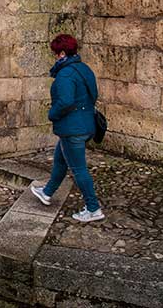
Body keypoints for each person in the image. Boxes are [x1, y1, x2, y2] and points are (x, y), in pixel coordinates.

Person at [30, 34, 104, 222]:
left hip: (73, 129)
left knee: (79, 169)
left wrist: (52, 114)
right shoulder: (84, 69)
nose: (55, 56)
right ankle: (47, 193)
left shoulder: (65, 74)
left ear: (62, 53)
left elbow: (65, 101)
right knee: (60, 160)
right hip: (86, 124)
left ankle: (93, 208)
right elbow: (93, 95)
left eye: (56, 53)